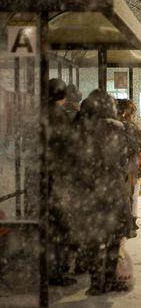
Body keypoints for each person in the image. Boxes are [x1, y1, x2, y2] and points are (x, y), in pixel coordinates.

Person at [69, 90, 134, 295]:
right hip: (114, 190)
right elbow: (127, 160)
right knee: (114, 238)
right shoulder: (120, 128)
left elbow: (75, 160)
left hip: (90, 191)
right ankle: (109, 277)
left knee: (95, 238)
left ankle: (97, 282)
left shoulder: (83, 129)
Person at [47, 78, 76, 286]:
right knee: (61, 226)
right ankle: (57, 271)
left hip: (41, 177)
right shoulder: (59, 117)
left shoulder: (40, 113)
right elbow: (68, 148)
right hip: (57, 178)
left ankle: (48, 268)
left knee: (49, 226)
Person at [117, 99, 141, 238]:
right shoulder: (132, 129)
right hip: (128, 170)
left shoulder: (112, 128)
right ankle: (129, 224)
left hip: (114, 169)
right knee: (130, 197)